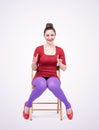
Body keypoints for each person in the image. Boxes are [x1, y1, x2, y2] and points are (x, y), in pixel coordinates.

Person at [23, 23, 73, 120]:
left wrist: (60, 64)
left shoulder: (60, 50)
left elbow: (64, 68)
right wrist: (33, 64)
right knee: (42, 84)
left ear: (55, 35)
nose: (50, 37)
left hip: (53, 76)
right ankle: (27, 104)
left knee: (52, 85)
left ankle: (67, 105)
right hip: (39, 75)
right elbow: (34, 68)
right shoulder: (38, 49)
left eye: (52, 35)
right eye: (47, 35)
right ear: (44, 36)